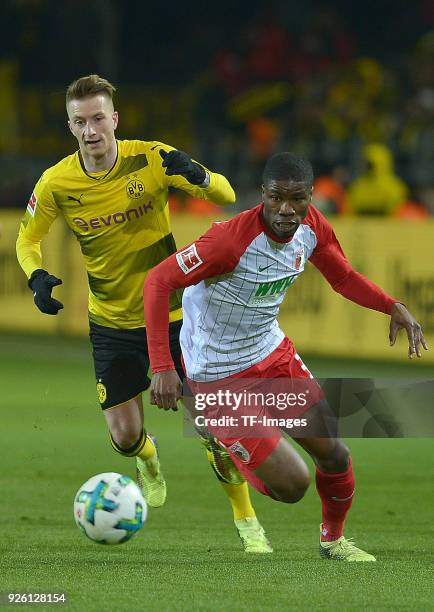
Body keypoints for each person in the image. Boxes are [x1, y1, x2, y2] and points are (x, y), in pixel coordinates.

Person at [16, 74, 271, 553]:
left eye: (97, 119)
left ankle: (247, 520)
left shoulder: (151, 158)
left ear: (114, 119)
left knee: (213, 427)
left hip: (176, 315)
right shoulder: (56, 182)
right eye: (79, 122)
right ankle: (147, 458)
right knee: (126, 434)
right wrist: (35, 275)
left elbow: (227, 195)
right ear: (69, 127)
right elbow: (26, 238)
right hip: (110, 320)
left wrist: (199, 175)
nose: (91, 130)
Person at [143, 152, 427, 561]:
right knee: (293, 486)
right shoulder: (229, 241)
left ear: (311, 197)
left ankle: (333, 541)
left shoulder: (312, 228)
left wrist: (391, 305)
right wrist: (164, 367)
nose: (286, 209)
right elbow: (158, 281)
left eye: (296, 199)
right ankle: (223, 439)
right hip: (218, 375)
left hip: (272, 356)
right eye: (276, 198)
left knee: (334, 453)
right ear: (263, 195)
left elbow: (343, 276)